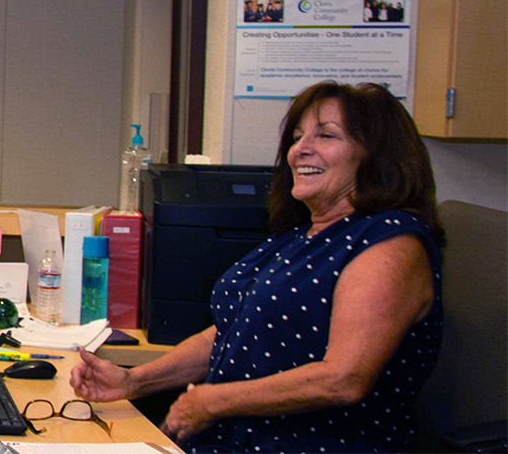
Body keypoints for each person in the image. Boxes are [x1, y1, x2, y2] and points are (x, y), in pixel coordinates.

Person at [71, 81, 444, 453]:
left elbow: (343, 378)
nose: (301, 150)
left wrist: (211, 401)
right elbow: (229, 334)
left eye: (326, 136)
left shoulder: (390, 243)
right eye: (297, 137)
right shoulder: (298, 237)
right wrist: (134, 381)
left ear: (377, 156)